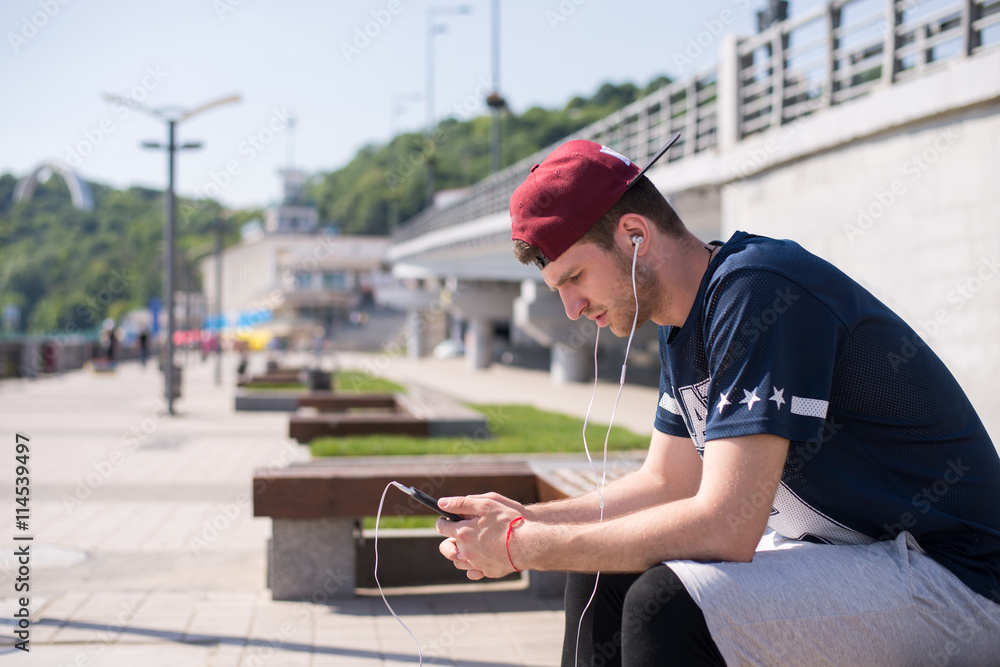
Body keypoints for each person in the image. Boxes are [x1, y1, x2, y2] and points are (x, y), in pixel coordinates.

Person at [434, 139, 1000, 665]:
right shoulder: (684, 319)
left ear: (635, 235)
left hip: (955, 575)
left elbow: (727, 526)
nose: (572, 309)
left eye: (576, 276)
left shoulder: (759, 289)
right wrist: (525, 520)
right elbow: (666, 484)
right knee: (601, 573)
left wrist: (526, 547)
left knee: (672, 604)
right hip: (862, 556)